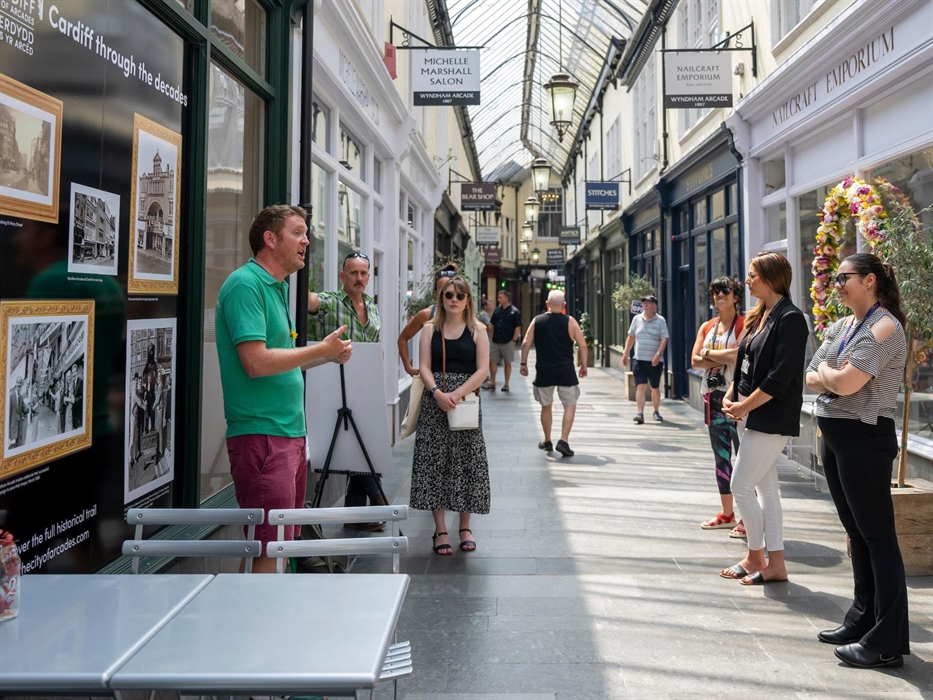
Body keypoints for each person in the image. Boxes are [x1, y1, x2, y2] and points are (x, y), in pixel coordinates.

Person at [216, 204, 352, 574]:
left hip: (286, 434)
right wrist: (321, 350)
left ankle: (276, 622)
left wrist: (327, 355)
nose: (307, 240)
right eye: (298, 232)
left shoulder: (275, 287)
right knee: (268, 544)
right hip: (262, 434)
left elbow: (284, 358)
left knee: (283, 541)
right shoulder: (246, 284)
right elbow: (256, 362)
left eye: (306, 232)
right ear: (270, 239)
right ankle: (261, 629)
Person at [805, 253, 909, 668]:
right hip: (836, 436)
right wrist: (833, 374)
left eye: (844, 277)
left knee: (879, 538)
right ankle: (863, 617)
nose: (837, 284)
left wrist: (833, 375)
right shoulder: (844, 324)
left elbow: (847, 382)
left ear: (869, 281)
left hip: (865, 438)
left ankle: (887, 641)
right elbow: (810, 371)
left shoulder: (884, 325)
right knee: (858, 534)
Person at [719, 252, 808, 586]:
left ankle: (757, 555)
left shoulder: (791, 319)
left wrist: (745, 407)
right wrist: (732, 395)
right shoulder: (760, 315)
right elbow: (743, 366)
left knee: (740, 486)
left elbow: (779, 378)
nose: (747, 279)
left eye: (753, 274)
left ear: (771, 278)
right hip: (750, 413)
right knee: (767, 490)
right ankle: (775, 563)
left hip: (769, 417)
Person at [410, 276, 490, 555]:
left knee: (468, 463)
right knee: (435, 464)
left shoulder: (478, 329)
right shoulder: (429, 329)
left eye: (459, 295)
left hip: (465, 402)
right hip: (436, 403)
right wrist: (437, 393)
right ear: (441, 299)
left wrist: (456, 394)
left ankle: (465, 526)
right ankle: (440, 529)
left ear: (468, 300)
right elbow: (424, 366)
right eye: (448, 295)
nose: (454, 299)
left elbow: (482, 371)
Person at [308, 251, 386, 532]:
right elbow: (308, 301)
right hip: (335, 386)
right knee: (355, 444)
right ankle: (377, 497)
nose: (359, 278)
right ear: (342, 277)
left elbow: (377, 344)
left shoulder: (372, 306)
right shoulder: (330, 302)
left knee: (364, 443)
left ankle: (355, 517)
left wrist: (380, 375)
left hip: (366, 386)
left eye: (364, 273)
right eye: (353, 273)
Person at [691, 277, 745, 531]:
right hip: (712, 398)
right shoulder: (707, 326)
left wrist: (709, 355)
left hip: (737, 398)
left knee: (744, 456)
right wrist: (720, 357)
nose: (719, 295)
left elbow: (739, 354)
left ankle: (748, 516)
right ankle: (727, 513)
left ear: (736, 296)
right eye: (714, 291)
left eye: (725, 291)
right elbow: (694, 360)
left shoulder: (745, 324)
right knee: (721, 456)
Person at [519, 290, 588, 457]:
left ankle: (547, 440)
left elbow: (525, 342)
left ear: (547, 304)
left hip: (544, 370)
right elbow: (583, 345)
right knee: (569, 404)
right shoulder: (570, 322)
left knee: (546, 406)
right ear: (564, 305)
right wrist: (584, 365)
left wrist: (523, 363)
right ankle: (563, 440)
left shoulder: (537, 321)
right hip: (565, 370)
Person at [398, 263, 459, 378]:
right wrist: (408, 367)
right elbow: (402, 339)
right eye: (442, 288)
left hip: (462, 383)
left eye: (450, 288)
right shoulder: (427, 315)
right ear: (436, 292)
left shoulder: (466, 316)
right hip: (432, 382)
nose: (446, 292)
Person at [622, 294, 669, 423]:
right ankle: (640, 413)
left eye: (648, 303)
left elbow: (664, 339)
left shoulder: (661, 321)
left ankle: (656, 411)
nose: (645, 305)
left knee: (654, 387)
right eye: (644, 303)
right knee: (641, 386)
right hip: (639, 359)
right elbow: (631, 337)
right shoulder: (636, 319)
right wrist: (626, 353)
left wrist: (658, 354)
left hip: (655, 361)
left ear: (655, 306)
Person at [485, 290, 521, 392]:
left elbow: (517, 327)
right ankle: (492, 382)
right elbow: (492, 324)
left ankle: (506, 383)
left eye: (500, 297)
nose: (498, 299)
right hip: (496, 341)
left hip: (508, 341)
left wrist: (514, 340)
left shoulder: (514, 312)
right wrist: (492, 336)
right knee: (492, 361)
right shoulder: (497, 310)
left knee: (507, 362)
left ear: (506, 298)